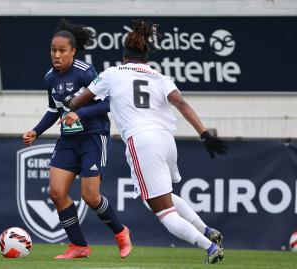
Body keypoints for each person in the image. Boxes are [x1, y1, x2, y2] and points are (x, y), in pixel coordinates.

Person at [67, 20, 228, 264]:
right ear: (146, 56)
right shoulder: (161, 77)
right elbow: (181, 103)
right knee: (163, 195)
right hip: (166, 140)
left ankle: (208, 247)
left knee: (163, 211)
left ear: (124, 55)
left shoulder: (112, 74)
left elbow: (78, 101)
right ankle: (206, 230)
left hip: (142, 141)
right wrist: (204, 134)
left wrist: (70, 101)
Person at [22, 19, 131, 259]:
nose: (57, 55)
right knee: (56, 192)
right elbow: (54, 110)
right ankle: (79, 246)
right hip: (68, 141)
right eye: (53, 50)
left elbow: (106, 104)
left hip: (93, 137)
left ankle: (121, 232)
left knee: (90, 196)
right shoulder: (50, 77)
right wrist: (35, 132)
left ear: (73, 51)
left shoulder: (85, 72)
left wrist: (78, 113)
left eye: (62, 51)